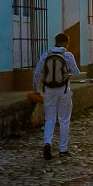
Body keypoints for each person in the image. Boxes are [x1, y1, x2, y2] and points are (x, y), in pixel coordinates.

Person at [33, 32, 76, 160]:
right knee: (64, 120)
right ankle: (63, 149)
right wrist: (67, 72)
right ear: (65, 43)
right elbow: (76, 71)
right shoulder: (67, 55)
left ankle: (47, 143)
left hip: (48, 90)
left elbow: (37, 73)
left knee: (50, 118)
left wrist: (36, 89)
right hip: (63, 90)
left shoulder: (46, 54)